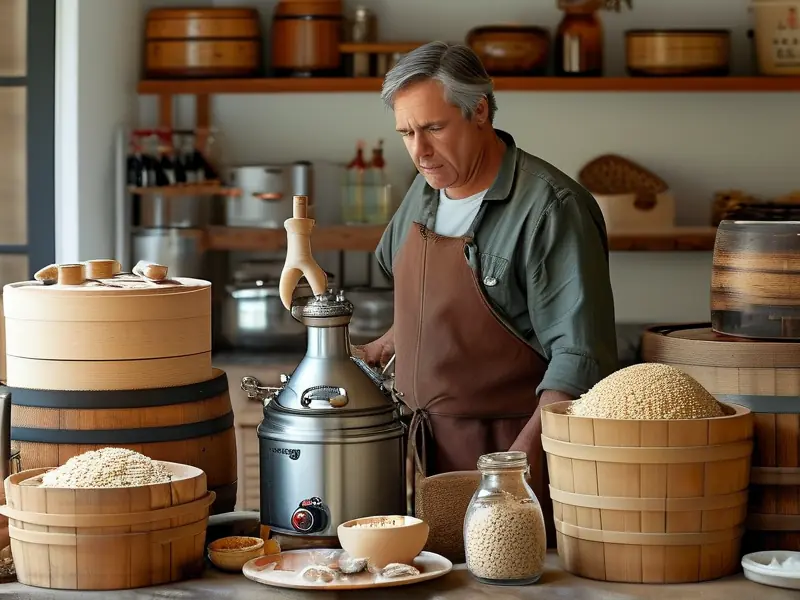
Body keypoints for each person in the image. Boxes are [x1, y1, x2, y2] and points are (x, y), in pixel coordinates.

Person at [353, 41, 619, 544]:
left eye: (433, 128)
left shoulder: (551, 209)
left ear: (479, 110)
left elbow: (579, 359)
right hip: (420, 456)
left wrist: (511, 479)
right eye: (406, 133)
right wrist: (379, 348)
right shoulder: (425, 186)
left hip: (506, 458)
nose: (419, 151)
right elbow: (433, 301)